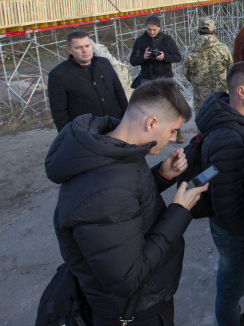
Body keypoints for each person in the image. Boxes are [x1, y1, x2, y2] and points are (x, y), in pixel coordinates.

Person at [45, 79, 208, 326]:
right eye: (173, 130)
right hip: (133, 311)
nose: (175, 138)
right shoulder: (105, 188)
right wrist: (179, 211)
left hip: (142, 300)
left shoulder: (116, 149)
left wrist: (162, 176)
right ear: (152, 122)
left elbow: (127, 205)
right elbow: (127, 278)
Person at [197, 62, 244, 326]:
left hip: (233, 227)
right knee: (230, 289)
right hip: (235, 232)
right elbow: (226, 204)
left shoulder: (234, 121)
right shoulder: (229, 136)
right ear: (241, 92)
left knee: (232, 284)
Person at [48, 31, 129, 132]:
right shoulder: (58, 74)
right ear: (69, 50)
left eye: (87, 45)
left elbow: (120, 93)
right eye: (78, 48)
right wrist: (68, 136)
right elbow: (59, 112)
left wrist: (128, 119)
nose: (85, 50)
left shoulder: (104, 63)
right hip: (87, 132)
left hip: (116, 125)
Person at [185, 18, 233, 113]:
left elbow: (186, 73)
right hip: (221, 97)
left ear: (198, 31)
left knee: (203, 123)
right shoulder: (223, 49)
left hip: (201, 99)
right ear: (214, 31)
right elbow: (231, 70)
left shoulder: (190, 51)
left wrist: (198, 81)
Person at [130, 15, 182, 84]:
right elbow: (133, 61)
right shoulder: (140, 41)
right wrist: (144, 57)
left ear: (159, 27)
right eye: (149, 29)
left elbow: (178, 57)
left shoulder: (167, 39)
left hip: (166, 78)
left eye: (154, 30)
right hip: (147, 79)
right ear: (145, 27)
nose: (152, 32)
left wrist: (164, 57)